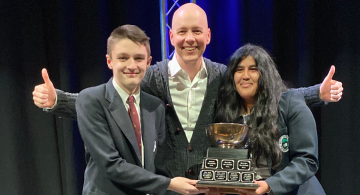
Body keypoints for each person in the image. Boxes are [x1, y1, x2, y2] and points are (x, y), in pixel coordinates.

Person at [32, 3, 342, 194]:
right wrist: (56, 100)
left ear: (208, 35)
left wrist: (318, 93)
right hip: (168, 184)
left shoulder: (225, 75)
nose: (189, 38)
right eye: (182, 32)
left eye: (196, 31)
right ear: (171, 36)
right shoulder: (149, 75)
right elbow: (103, 102)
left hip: (212, 186)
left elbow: (271, 93)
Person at [74, 24, 208, 195]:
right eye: (123, 58)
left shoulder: (156, 106)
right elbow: (111, 165)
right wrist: (170, 184)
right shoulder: (91, 99)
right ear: (109, 61)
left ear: (148, 62)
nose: (132, 65)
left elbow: (159, 166)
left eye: (138, 58)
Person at [215, 44, 326, 195]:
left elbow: (307, 160)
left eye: (253, 69)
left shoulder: (290, 103)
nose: (245, 75)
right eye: (239, 70)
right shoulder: (228, 116)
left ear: (265, 74)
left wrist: (269, 185)